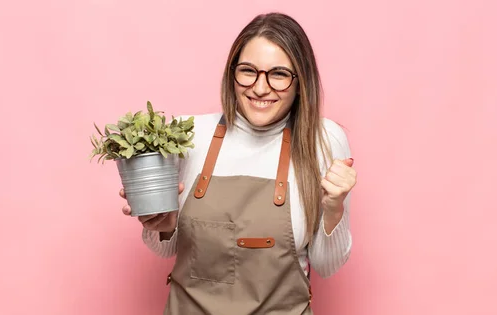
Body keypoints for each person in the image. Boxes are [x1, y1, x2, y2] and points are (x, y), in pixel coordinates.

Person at [119, 12, 357, 315]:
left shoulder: (323, 140)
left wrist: (334, 209)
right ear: (232, 73)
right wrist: (161, 226)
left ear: (301, 81)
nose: (260, 88)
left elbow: (327, 266)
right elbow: (164, 248)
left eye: (279, 74)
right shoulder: (189, 135)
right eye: (248, 71)